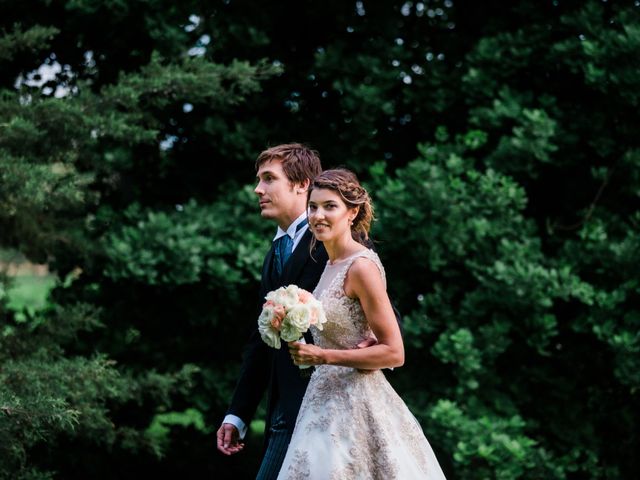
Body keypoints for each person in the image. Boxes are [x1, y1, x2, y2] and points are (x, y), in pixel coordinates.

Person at [278, 169, 446, 479]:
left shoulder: (361, 267)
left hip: (358, 403)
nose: (318, 215)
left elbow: (395, 353)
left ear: (352, 212)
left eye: (330, 206)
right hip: (321, 402)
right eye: (313, 207)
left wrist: (323, 356)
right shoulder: (327, 265)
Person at [216, 143, 327, 479]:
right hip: (283, 408)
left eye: (268, 179)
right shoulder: (274, 251)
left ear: (302, 184)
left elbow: (374, 296)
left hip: (327, 406)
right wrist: (238, 414)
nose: (257, 189)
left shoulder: (332, 238)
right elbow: (262, 338)